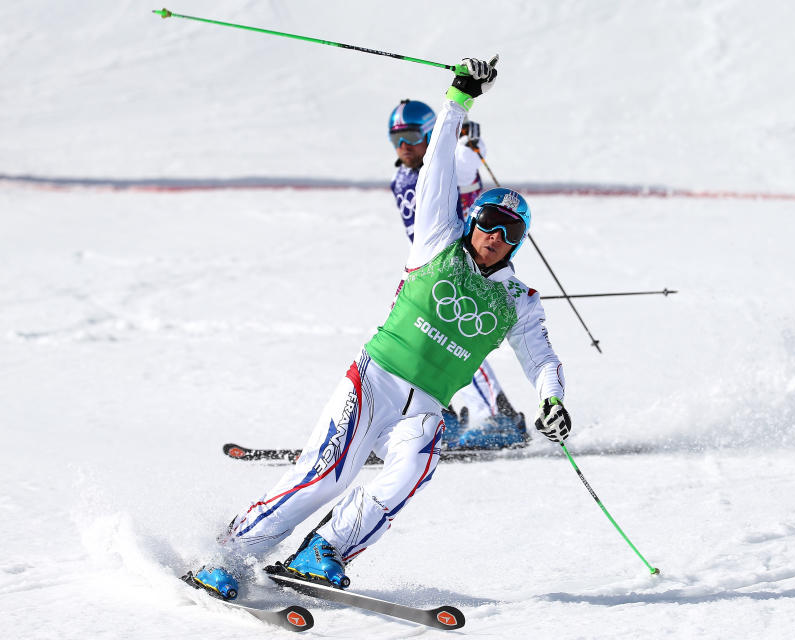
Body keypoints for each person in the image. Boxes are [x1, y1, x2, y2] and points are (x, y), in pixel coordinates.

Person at [189, 57, 572, 601]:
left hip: (425, 406)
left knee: (410, 473)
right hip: (375, 380)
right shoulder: (437, 241)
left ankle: (323, 550)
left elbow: (542, 361)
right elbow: (437, 164)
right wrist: (458, 100)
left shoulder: (519, 301)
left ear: (518, 241)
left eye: (507, 229)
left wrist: (552, 399)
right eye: (486, 220)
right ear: (471, 220)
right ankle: (231, 553)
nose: (492, 233)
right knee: (329, 476)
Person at [388, 99, 526, 450]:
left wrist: (466, 148)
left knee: (455, 340)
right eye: (396, 140)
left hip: (472, 269)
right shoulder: (405, 177)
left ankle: (502, 417)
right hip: (436, 272)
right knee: (421, 343)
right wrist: (466, 148)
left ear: (431, 134)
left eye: (412, 137)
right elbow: (455, 174)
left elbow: (463, 174)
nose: (404, 147)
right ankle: (441, 414)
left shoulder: (444, 166)